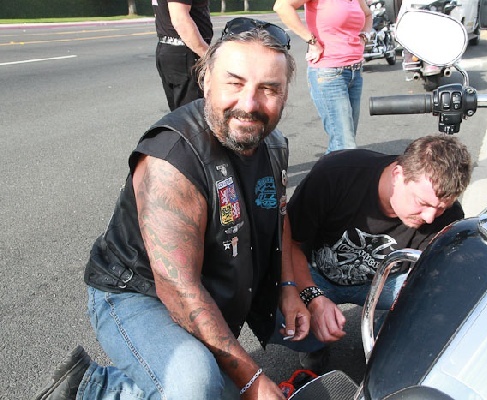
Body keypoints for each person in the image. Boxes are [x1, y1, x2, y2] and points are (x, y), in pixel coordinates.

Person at [35, 19, 310, 400]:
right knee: (196, 384)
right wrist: (250, 380)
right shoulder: (172, 159)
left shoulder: (273, 143)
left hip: (215, 285)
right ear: (206, 80)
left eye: (268, 89)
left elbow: (277, 213)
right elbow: (179, 290)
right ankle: (94, 386)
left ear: (284, 93)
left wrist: (291, 288)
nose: (249, 104)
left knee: (314, 329)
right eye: (235, 83)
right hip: (139, 292)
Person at [272, 135, 473, 372]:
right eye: (423, 203)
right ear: (398, 174)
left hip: (384, 282)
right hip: (315, 273)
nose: (429, 218)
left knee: (438, 303)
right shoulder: (337, 173)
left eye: (440, 208)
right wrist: (312, 298)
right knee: (280, 317)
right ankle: (315, 342)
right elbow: (290, 243)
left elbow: (432, 282)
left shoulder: (448, 218)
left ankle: (383, 333)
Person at [273, 0, 373, 153]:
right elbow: (282, 6)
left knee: (342, 141)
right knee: (345, 143)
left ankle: (330, 168)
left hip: (355, 71)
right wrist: (311, 41)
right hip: (329, 73)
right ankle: (338, 168)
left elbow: (368, 14)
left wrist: (364, 36)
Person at [154, 0, 213, 111]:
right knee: (192, 113)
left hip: (171, 49)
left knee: (180, 113)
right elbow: (180, 20)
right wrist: (208, 56)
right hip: (186, 52)